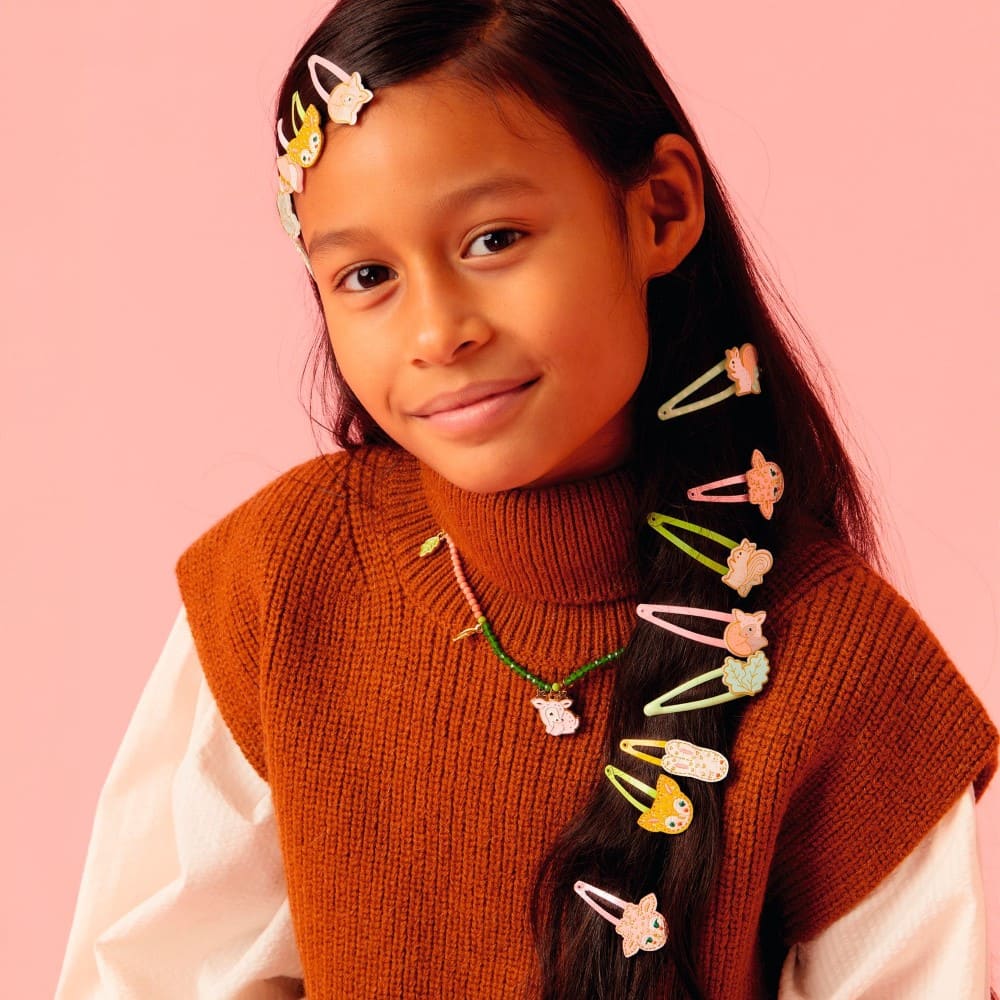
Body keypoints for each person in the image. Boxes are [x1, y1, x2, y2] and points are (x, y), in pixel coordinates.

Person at [57, 0, 997, 997]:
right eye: (367, 274)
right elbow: (154, 974)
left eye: (494, 239)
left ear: (660, 210)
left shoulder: (844, 666)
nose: (438, 331)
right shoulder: (283, 580)